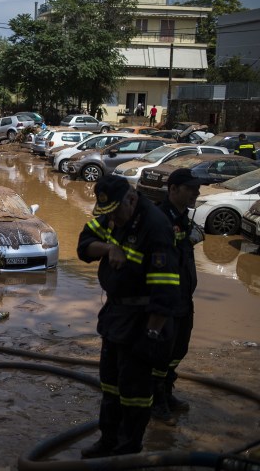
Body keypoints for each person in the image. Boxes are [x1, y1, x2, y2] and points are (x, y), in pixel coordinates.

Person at [77, 175, 180, 458]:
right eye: (107, 214)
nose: (113, 220)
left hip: (143, 320)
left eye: (116, 213)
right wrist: (110, 247)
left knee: (135, 393)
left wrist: (151, 334)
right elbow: (84, 245)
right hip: (116, 315)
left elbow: (166, 292)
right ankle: (108, 442)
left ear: (132, 199)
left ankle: (127, 451)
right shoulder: (114, 213)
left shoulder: (156, 227)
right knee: (110, 383)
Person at [150, 168, 205, 425]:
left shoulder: (184, 217)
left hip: (184, 297)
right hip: (165, 301)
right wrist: (186, 239)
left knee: (178, 349)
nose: (197, 192)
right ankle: (156, 401)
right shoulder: (160, 217)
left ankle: (167, 393)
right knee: (161, 353)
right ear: (173, 189)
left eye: (197, 188)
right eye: (191, 189)